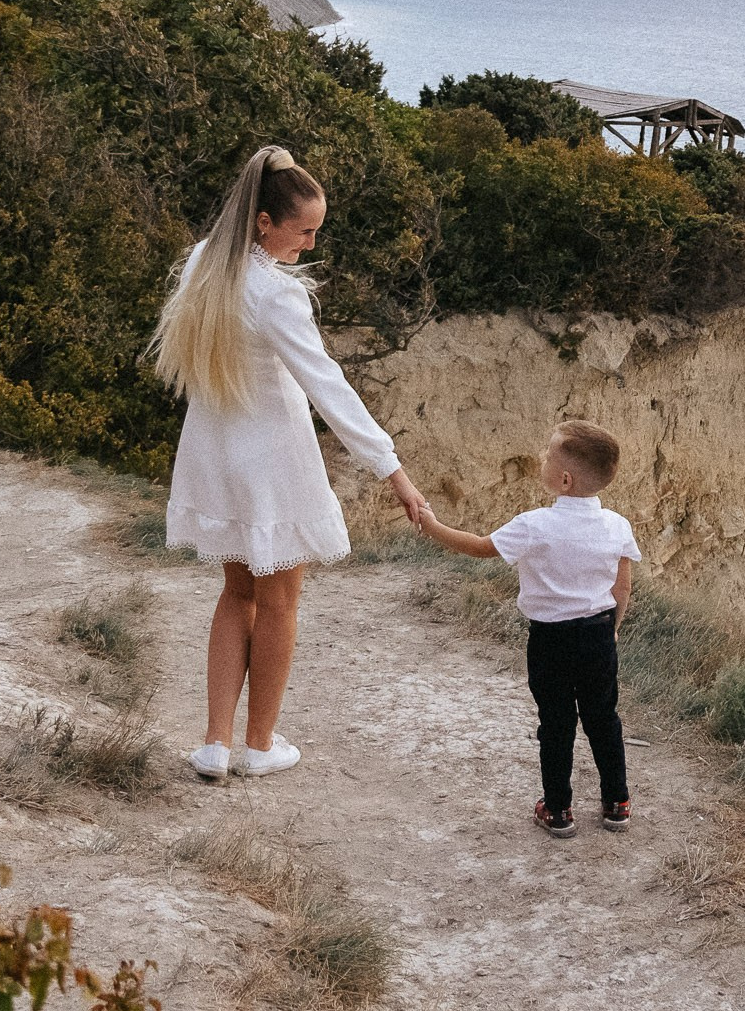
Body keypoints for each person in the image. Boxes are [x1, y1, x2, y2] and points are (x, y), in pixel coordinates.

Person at [148, 145, 431, 780]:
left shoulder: (203, 264)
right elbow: (329, 386)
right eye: (303, 232)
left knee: (234, 593)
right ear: (264, 222)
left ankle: (214, 745)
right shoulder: (276, 294)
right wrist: (394, 472)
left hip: (215, 451)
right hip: (272, 457)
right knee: (278, 602)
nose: (308, 246)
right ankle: (259, 746)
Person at [415, 420, 640, 837]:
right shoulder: (617, 525)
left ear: (564, 479)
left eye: (548, 455)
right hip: (597, 635)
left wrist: (432, 527)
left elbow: (481, 547)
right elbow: (621, 587)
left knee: (555, 724)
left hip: (550, 638)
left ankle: (557, 810)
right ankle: (617, 803)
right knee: (603, 719)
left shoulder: (535, 524)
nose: (543, 458)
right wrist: (613, 629)